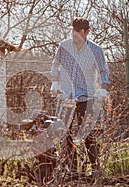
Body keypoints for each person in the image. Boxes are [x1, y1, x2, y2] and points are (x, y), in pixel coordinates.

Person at [50, 17, 110, 177]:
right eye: (73, 30)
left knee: (88, 134)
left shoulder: (96, 50)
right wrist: (55, 82)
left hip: (87, 96)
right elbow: (55, 64)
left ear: (86, 32)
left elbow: (104, 71)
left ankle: (95, 169)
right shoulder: (64, 47)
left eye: (78, 31)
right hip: (67, 96)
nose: (74, 33)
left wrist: (104, 88)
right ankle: (72, 170)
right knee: (66, 133)